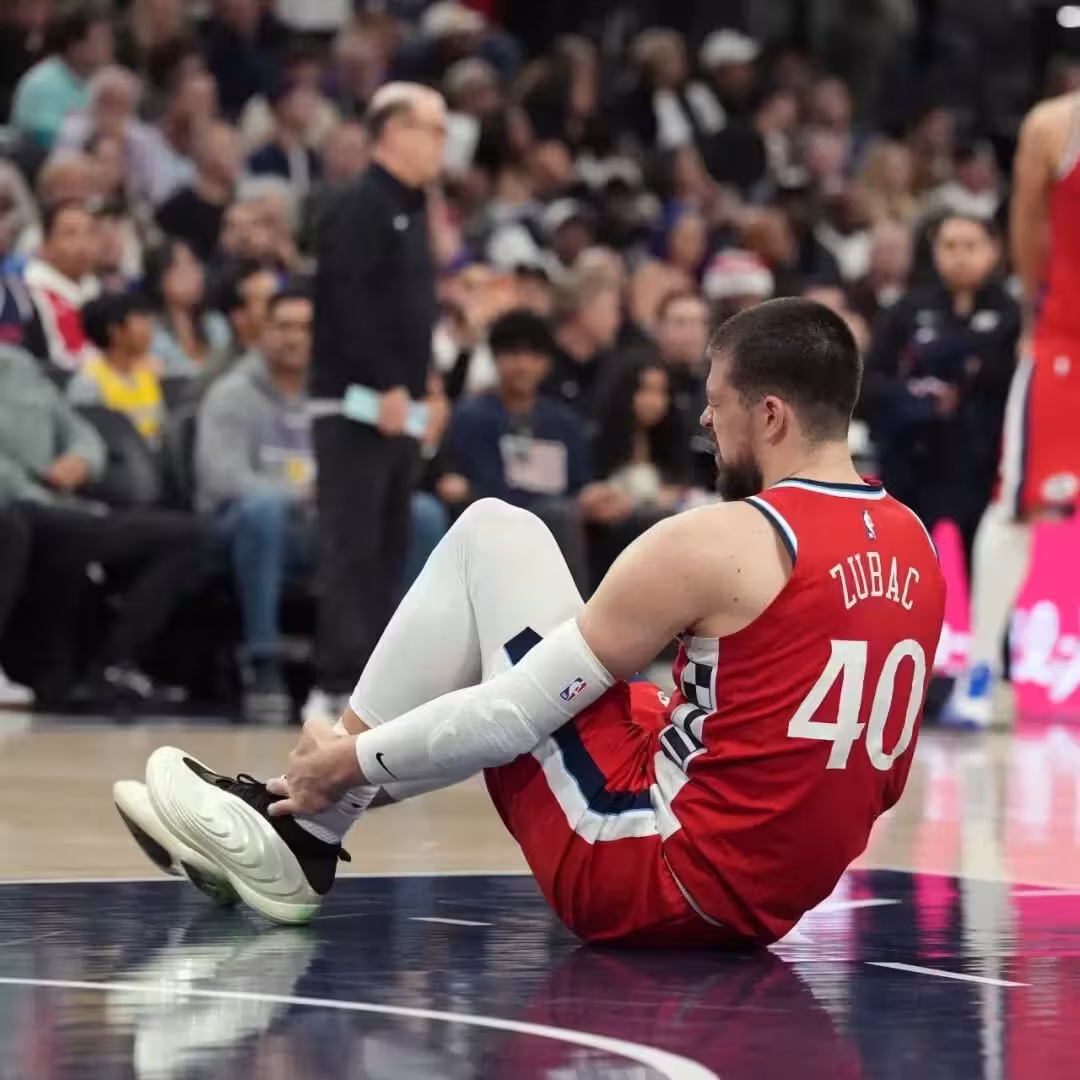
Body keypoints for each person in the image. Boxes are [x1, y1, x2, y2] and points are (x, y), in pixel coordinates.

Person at [118, 298, 945, 946]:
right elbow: (880, 785)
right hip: (773, 903)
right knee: (644, 700)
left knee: (492, 534)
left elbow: (514, 715)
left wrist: (346, 762)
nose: (704, 423)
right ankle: (302, 811)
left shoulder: (721, 539)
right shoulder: (918, 545)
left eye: (715, 404)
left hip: (651, 880)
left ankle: (305, 829)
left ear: (769, 416)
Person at [306, 82, 447, 724]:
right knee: (353, 545)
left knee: (389, 545)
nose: (441, 145)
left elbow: (412, 314)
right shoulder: (361, 203)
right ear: (393, 131)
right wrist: (386, 381)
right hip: (355, 403)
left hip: (400, 403)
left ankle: (370, 687)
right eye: (433, 130)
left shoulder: (413, 209)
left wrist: (428, 385)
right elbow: (347, 301)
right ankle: (334, 681)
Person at [945, 91, 1080, 727]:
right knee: (1017, 503)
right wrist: (1034, 313)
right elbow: (1029, 230)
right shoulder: (1055, 124)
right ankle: (980, 670)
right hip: (1066, 339)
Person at [0, 343, 205, 707]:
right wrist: (35, 492)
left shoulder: (20, 365)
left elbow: (79, 430)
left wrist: (82, 459)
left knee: (185, 535)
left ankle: (113, 665)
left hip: (64, 506)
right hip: (18, 507)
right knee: (11, 524)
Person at [865, 213, 1019, 563]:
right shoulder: (908, 309)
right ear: (934, 251)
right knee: (905, 563)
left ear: (994, 250)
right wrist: (915, 396)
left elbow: (1013, 382)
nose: (960, 256)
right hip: (916, 459)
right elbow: (872, 379)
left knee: (986, 563)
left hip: (982, 463)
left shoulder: (1011, 314)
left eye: (971, 246)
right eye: (949, 246)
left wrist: (969, 379)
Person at [436, 309, 599, 591]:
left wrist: (594, 498)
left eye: (534, 355)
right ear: (495, 358)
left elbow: (579, 485)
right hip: (494, 525)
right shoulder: (471, 416)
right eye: (512, 354)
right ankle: (577, 616)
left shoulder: (563, 422)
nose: (523, 365)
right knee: (559, 515)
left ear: (547, 362)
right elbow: (465, 485)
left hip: (558, 521)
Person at [68, 290, 164, 447]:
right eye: (140, 319)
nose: (149, 327)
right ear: (115, 331)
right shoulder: (88, 383)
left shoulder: (148, 372)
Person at [11, 4, 113, 150]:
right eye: (99, 40)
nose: (108, 47)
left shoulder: (104, 81)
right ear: (74, 45)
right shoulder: (43, 83)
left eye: (109, 40)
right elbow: (46, 141)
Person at [22, 200, 99, 372]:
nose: (83, 244)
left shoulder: (100, 291)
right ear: (45, 245)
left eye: (90, 233)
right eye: (70, 234)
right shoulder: (27, 295)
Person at [143, 239, 231, 382]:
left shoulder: (216, 324)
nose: (194, 275)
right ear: (159, 279)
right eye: (181, 268)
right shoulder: (149, 335)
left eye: (194, 264)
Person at [156, 121, 241, 263]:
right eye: (224, 149)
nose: (234, 155)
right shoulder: (177, 211)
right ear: (202, 155)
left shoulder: (242, 206)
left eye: (235, 147)